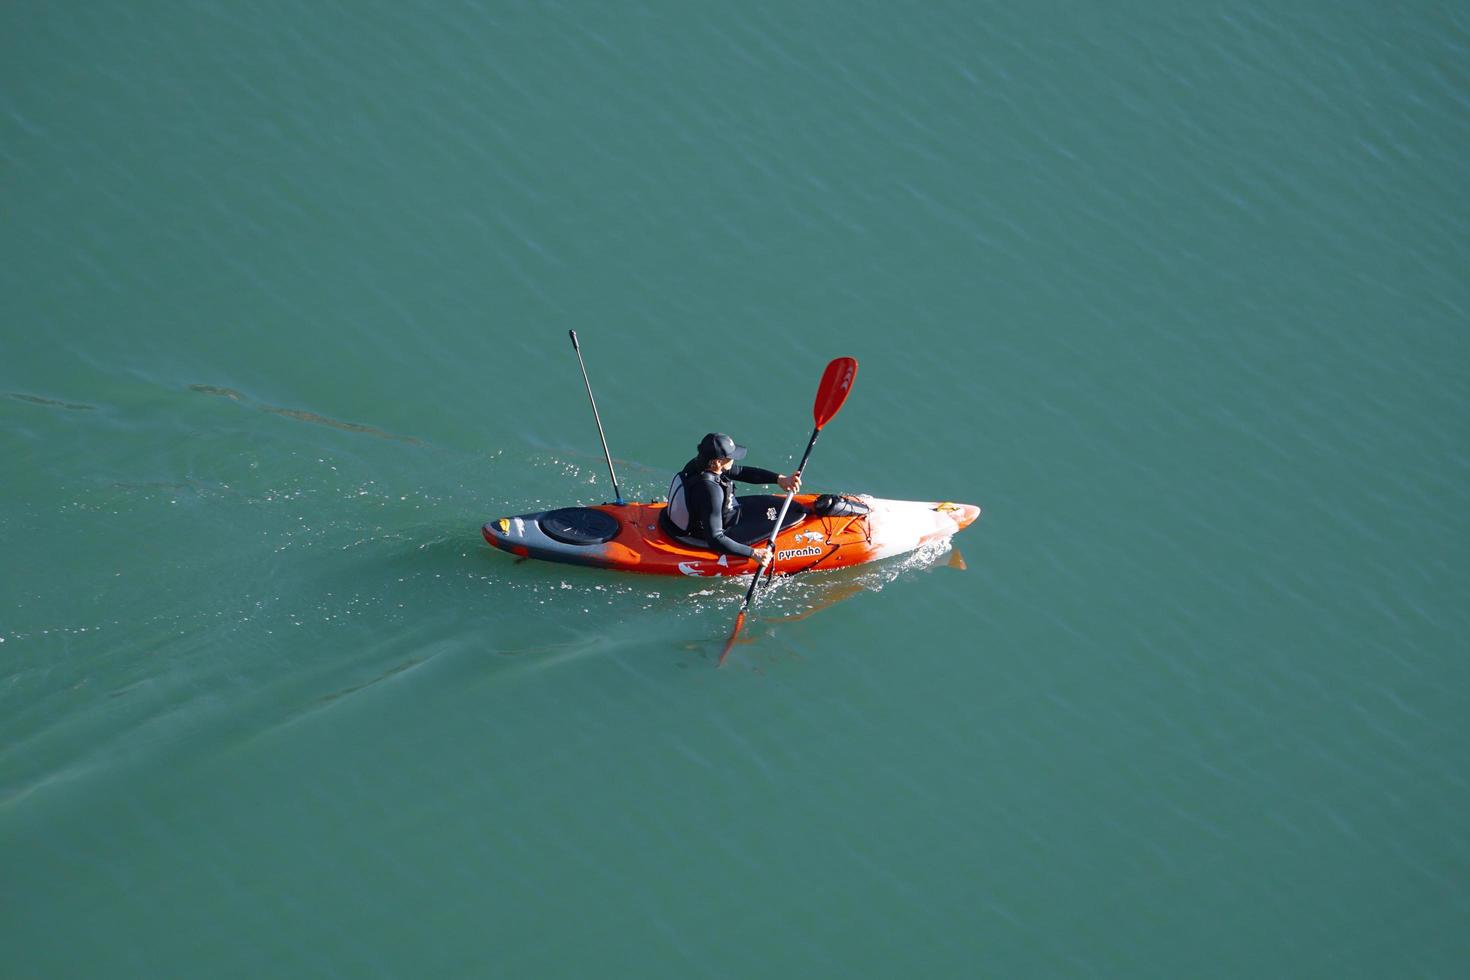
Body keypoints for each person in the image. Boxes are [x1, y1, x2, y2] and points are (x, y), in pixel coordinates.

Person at [665, 432, 801, 565]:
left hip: (715, 515)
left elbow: (741, 472)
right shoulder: (710, 490)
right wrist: (753, 553)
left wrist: (779, 479)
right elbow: (715, 538)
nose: (734, 459)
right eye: (731, 457)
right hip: (716, 531)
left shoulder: (700, 464)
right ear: (718, 462)